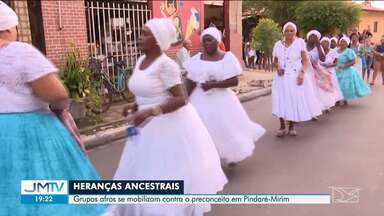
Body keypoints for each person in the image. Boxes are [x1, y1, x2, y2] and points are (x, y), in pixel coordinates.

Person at [102, 18, 227, 216]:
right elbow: (147, 92)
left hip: (163, 126)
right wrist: (133, 105)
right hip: (142, 127)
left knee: (159, 172)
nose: (139, 38)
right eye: (140, 33)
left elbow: (181, 98)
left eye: (145, 34)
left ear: (158, 40)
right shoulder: (141, 61)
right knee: (137, 170)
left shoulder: (166, 66)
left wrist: (150, 111)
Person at [0, 2, 106, 215]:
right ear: (9, 28)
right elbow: (57, 93)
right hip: (30, 131)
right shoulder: (20, 52)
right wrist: (60, 109)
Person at [184, 27, 265, 164]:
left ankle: (231, 153)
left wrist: (213, 85)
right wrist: (185, 100)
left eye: (209, 40)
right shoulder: (196, 59)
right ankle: (208, 159)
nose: (205, 43)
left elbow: (234, 81)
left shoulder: (227, 58)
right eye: (203, 41)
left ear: (217, 41)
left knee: (226, 129)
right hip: (200, 100)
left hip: (222, 101)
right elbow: (190, 81)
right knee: (203, 129)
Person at [271, 22, 322, 137]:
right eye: (287, 30)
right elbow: (275, 60)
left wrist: (302, 73)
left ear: (295, 32)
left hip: (295, 76)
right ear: (283, 32)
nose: (289, 32)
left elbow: (305, 60)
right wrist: (278, 67)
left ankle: (292, 126)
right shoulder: (278, 44)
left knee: (293, 100)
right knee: (280, 100)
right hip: (281, 78)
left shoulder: (300, 43)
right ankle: (282, 126)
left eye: (291, 30)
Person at [307, 30, 337, 112]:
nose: (313, 38)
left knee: (315, 90)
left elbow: (322, 59)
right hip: (305, 70)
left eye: (315, 37)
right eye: (311, 36)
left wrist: (318, 45)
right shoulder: (302, 46)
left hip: (315, 71)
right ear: (308, 37)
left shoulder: (318, 48)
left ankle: (314, 110)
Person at [336, 36, 371, 104]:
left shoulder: (349, 51)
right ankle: (337, 99)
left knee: (343, 85)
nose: (342, 43)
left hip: (346, 70)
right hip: (336, 70)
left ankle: (344, 98)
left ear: (347, 44)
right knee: (337, 85)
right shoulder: (336, 50)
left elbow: (353, 61)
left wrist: (344, 66)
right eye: (341, 41)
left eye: (344, 42)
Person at [320, 37, 343, 103]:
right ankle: (325, 101)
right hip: (320, 72)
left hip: (330, 71)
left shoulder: (333, 51)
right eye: (323, 42)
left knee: (332, 86)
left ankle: (333, 99)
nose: (325, 43)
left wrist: (329, 65)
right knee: (323, 87)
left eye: (327, 42)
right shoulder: (319, 51)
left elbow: (336, 62)